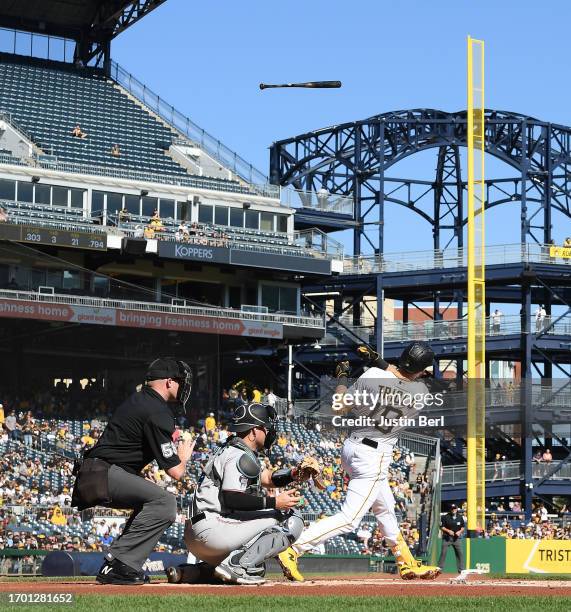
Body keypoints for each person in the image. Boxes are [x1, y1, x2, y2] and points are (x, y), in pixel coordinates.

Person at [278, 342, 441, 582]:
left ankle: (406, 563)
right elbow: (400, 376)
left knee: (385, 509)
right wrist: (378, 360)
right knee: (350, 519)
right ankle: (293, 549)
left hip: (352, 448)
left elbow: (339, 407)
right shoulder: (421, 393)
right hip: (374, 457)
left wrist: (342, 377)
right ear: (419, 370)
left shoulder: (373, 375)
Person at [71, 358, 194, 585]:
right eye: (180, 381)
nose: (183, 386)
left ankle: (118, 564)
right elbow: (176, 472)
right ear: (169, 382)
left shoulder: (140, 400)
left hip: (96, 472)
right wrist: (184, 458)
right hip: (101, 473)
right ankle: (121, 564)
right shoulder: (157, 411)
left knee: (150, 502)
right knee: (165, 503)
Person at [166, 403, 304, 585]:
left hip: (199, 531)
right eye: (265, 428)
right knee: (290, 517)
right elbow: (231, 498)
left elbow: (268, 478)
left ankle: (190, 573)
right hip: (212, 529)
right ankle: (237, 565)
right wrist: (275, 502)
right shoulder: (240, 455)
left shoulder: (231, 450)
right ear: (254, 432)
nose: (269, 432)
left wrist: (295, 473)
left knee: (256, 568)